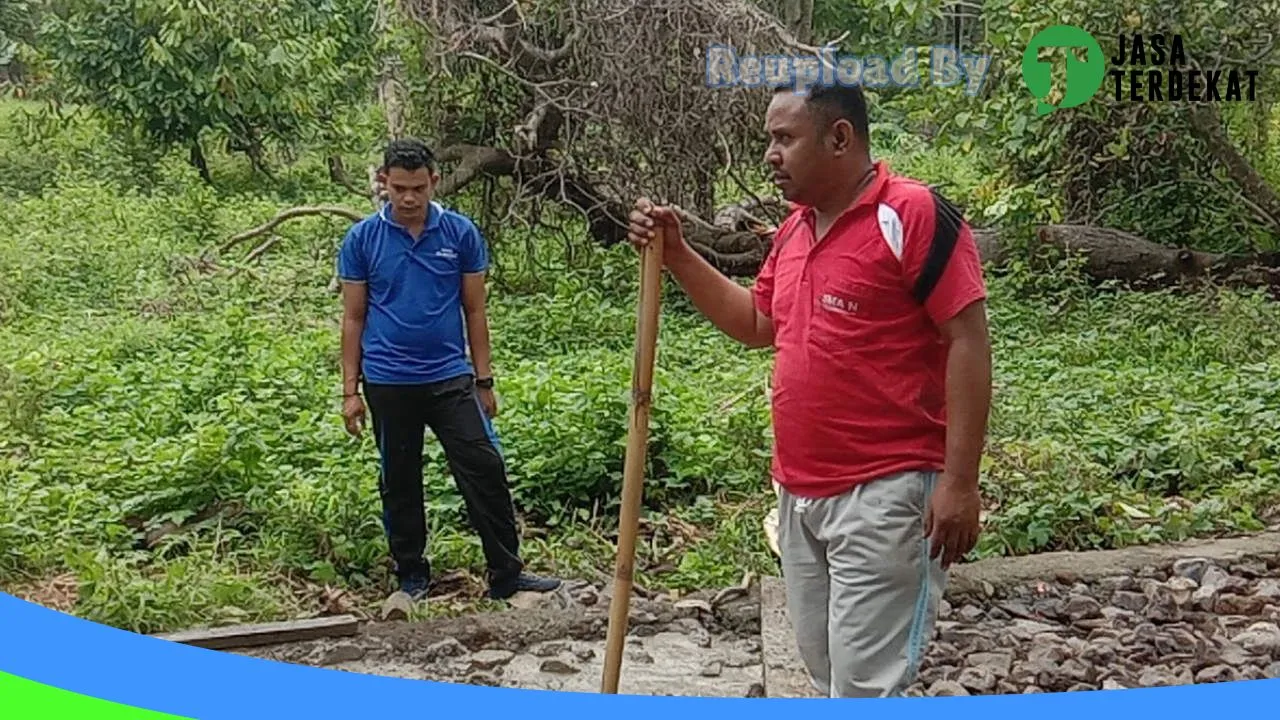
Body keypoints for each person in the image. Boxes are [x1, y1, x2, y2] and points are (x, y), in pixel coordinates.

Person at [626, 81, 991, 698]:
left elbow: (968, 341)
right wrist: (679, 256)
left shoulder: (911, 215)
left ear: (839, 137)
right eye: (770, 138)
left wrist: (959, 482)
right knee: (825, 672)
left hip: (889, 488)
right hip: (798, 491)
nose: (770, 154)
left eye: (784, 138)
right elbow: (756, 324)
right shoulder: (794, 231)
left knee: (865, 686)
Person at [337, 137, 561, 602]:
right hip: (388, 379)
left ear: (434, 182)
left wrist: (484, 380)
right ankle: (412, 576)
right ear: (384, 183)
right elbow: (354, 316)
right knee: (399, 477)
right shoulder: (362, 239)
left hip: (448, 375)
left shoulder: (459, 234)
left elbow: (474, 311)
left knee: (484, 465)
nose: (409, 198)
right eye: (399, 188)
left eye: (418, 188)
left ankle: (506, 573)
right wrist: (349, 391)